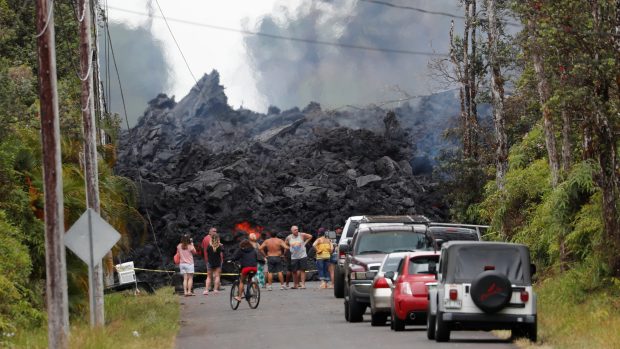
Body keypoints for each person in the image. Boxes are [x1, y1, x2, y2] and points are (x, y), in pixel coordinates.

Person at [201, 227, 218, 294]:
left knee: (209, 275)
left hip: (208, 259)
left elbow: (202, 248)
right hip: (215, 259)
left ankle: (209, 288)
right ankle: (215, 288)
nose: (215, 232)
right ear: (210, 232)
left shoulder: (204, 238)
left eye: (216, 231)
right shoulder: (213, 239)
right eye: (214, 231)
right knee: (215, 274)